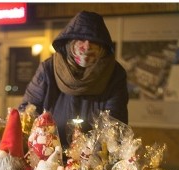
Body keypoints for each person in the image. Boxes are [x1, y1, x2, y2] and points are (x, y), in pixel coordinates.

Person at [19, 10, 128, 148]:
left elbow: (115, 124)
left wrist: (92, 156)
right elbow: (28, 111)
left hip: (94, 157)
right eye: (81, 39)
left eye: (94, 41)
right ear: (69, 42)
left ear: (103, 47)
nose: (87, 46)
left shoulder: (114, 73)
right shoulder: (48, 69)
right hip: (48, 152)